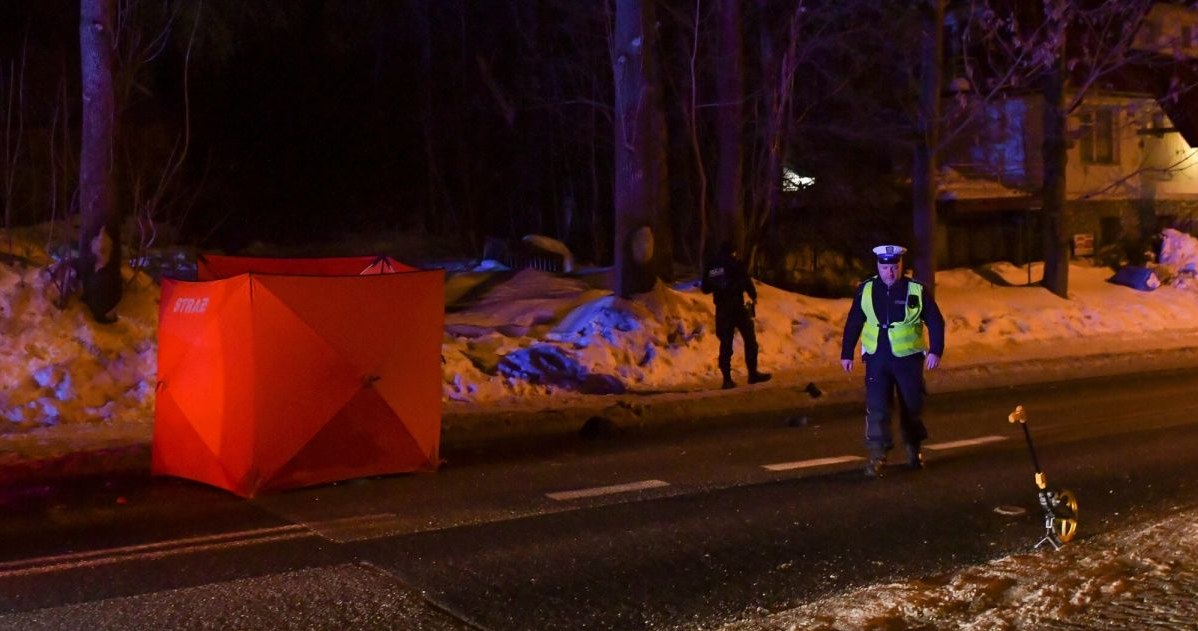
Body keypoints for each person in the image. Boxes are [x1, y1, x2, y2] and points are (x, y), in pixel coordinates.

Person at [840, 244, 945, 477]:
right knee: (877, 407)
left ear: (901, 266)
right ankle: (878, 455)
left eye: (894, 267)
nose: (890, 272)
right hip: (877, 359)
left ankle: (913, 448)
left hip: (908, 360)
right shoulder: (866, 290)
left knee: (912, 406)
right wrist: (846, 352)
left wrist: (936, 350)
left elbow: (936, 321)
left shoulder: (916, 290)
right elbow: (854, 321)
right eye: (885, 267)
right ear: (878, 266)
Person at [702, 241, 771, 389]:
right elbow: (745, 280)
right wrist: (753, 295)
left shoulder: (713, 265)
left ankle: (726, 379)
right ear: (732, 252)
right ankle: (752, 374)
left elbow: (705, 288)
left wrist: (718, 286)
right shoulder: (734, 263)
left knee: (725, 343)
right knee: (750, 339)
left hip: (721, 309)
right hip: (737, 308)